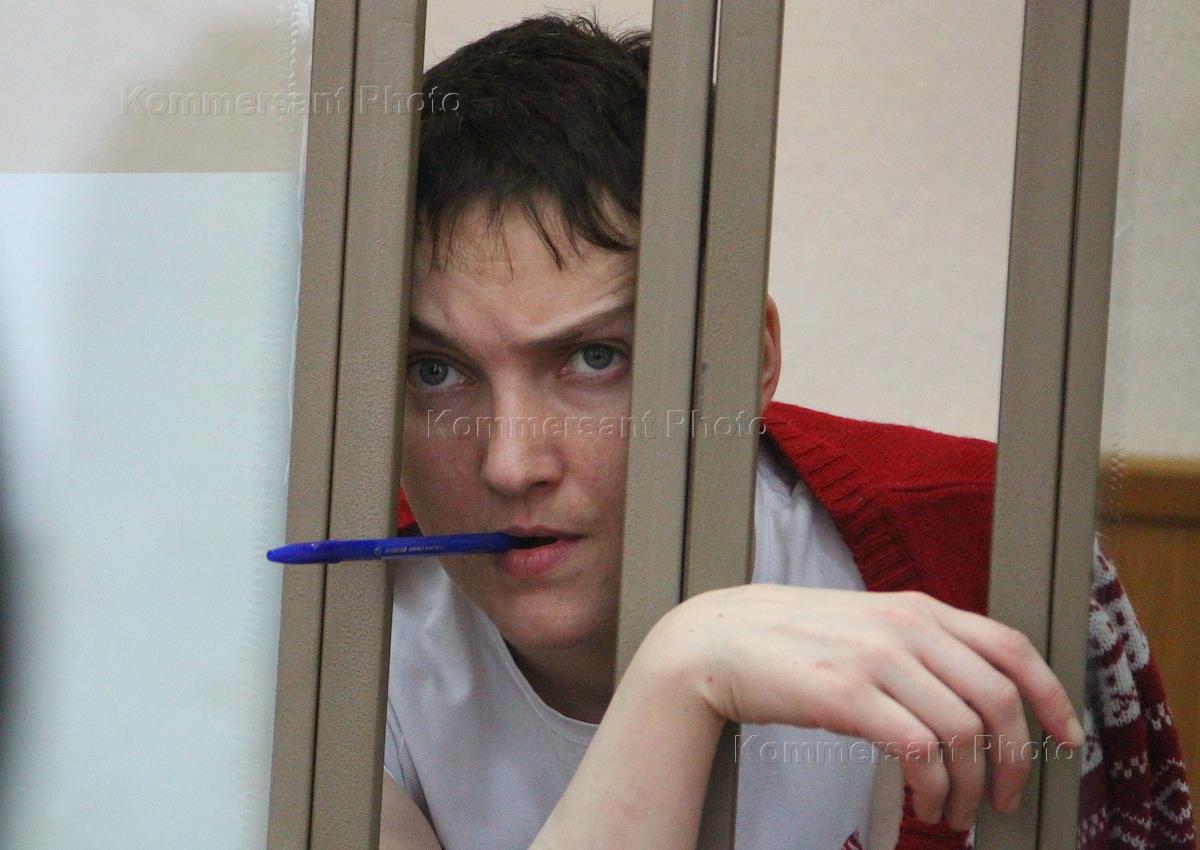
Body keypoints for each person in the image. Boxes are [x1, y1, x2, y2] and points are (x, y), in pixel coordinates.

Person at [381, 14, 1194, 850]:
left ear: (752, 361)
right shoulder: (339, 633)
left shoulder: (990, 551)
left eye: (595, 358)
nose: (511, 463)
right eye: (435, 371)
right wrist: (678, 679)